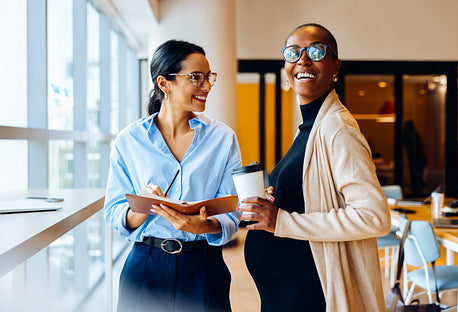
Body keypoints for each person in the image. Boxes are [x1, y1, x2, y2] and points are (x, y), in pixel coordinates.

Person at [239, 23, 391, 312]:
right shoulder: (310, 127)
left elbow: (374, 217)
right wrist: (277, 198)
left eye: (316, 51)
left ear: (335, 66)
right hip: (286, 290)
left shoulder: (338, 129)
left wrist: (281, 221)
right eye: (293, 53)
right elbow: (311, 197)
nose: (303, 61)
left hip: (312, 292)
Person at [103, 39, 242, 312]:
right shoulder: (129, 140)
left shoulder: (222, 138)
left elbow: (233, 209)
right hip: (145, 267)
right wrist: (141, 208)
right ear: (164, 83)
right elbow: (113, 212)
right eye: (196, 78)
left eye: (208, 77)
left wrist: (204, 227)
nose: (207, 86)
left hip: (203, 267)